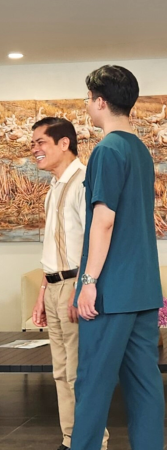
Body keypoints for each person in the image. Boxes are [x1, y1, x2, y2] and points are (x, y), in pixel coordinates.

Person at [71, 65, 164, 450]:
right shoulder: (140, 150)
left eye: (88, 98)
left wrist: (89, 281)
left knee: (92, 383)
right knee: (144, 385)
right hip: (143, 289)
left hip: (111, 292)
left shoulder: (107, 150)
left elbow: (104, 220)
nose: (87, 105)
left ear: (100, 101)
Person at [30, 117, 109, 450]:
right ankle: (71, 438)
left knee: (80, 372)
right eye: (33, 144)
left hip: (75, 287)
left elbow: (95, 241)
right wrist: (42, 292)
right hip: (54, 287)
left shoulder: (83, 183)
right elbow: (53, 249)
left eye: (40, 142)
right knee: (61, 372)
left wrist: (81, 289)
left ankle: (94, 441)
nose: (34, 149)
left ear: (64, 143)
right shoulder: (54, 187)